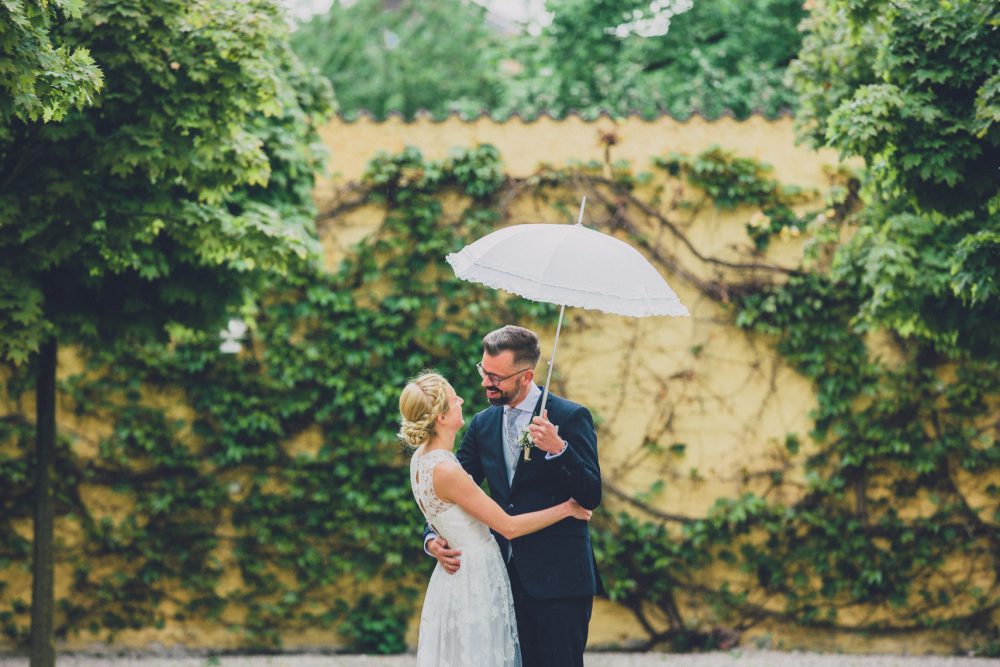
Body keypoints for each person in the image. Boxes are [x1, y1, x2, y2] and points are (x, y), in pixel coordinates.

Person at [424, 325, 603, 667]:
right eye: (483, 371)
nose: (485, 382)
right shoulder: (482, 425)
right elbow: (450, 489)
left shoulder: (570, 417)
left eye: (495, 376)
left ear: (525, 376)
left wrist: (559, 449)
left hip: (560, 581)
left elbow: (591, 494)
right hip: (500, 580)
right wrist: (432, 536)